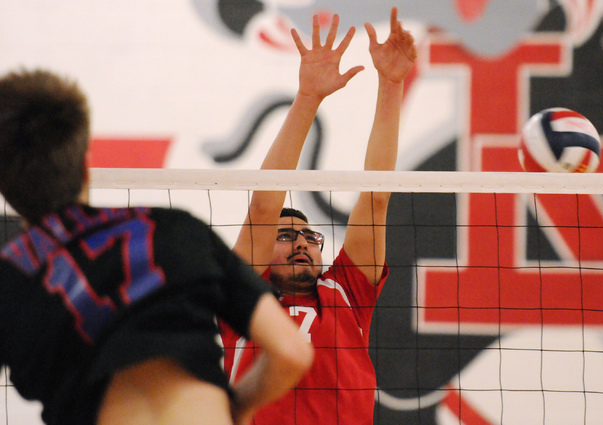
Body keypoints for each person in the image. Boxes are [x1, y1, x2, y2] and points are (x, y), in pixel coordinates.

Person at [0, 69, 313, 425]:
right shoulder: (176, 231)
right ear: (86, 165)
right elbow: (292, 352)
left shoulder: (9, 279)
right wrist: (236, 409)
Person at [221, 7, 416, 425]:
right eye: (287, 235)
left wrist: (391, 85)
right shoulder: (241, 299)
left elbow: (375, 198)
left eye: (310, 236)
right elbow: (263, 206)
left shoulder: (346, 291)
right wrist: (308, 97)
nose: (304, 243)